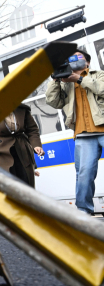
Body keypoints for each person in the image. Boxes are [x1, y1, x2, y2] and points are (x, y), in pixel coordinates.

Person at [46, 47, 104, 215]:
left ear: (87, 62)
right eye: (70, 58)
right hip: (83, 134)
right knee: (84, 174)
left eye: (78, 56)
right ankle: (84, 212)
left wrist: (79, 79)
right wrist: (55, 79)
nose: (74, 59)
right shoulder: (65, 83)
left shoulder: (98, 75)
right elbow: (53, 102)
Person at [0, 104, 44, 188]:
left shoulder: (22, 109)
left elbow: (32, 130)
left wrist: (36, 145)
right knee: (7, 185)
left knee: (26, 183)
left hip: (22, 149)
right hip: (0, 151)